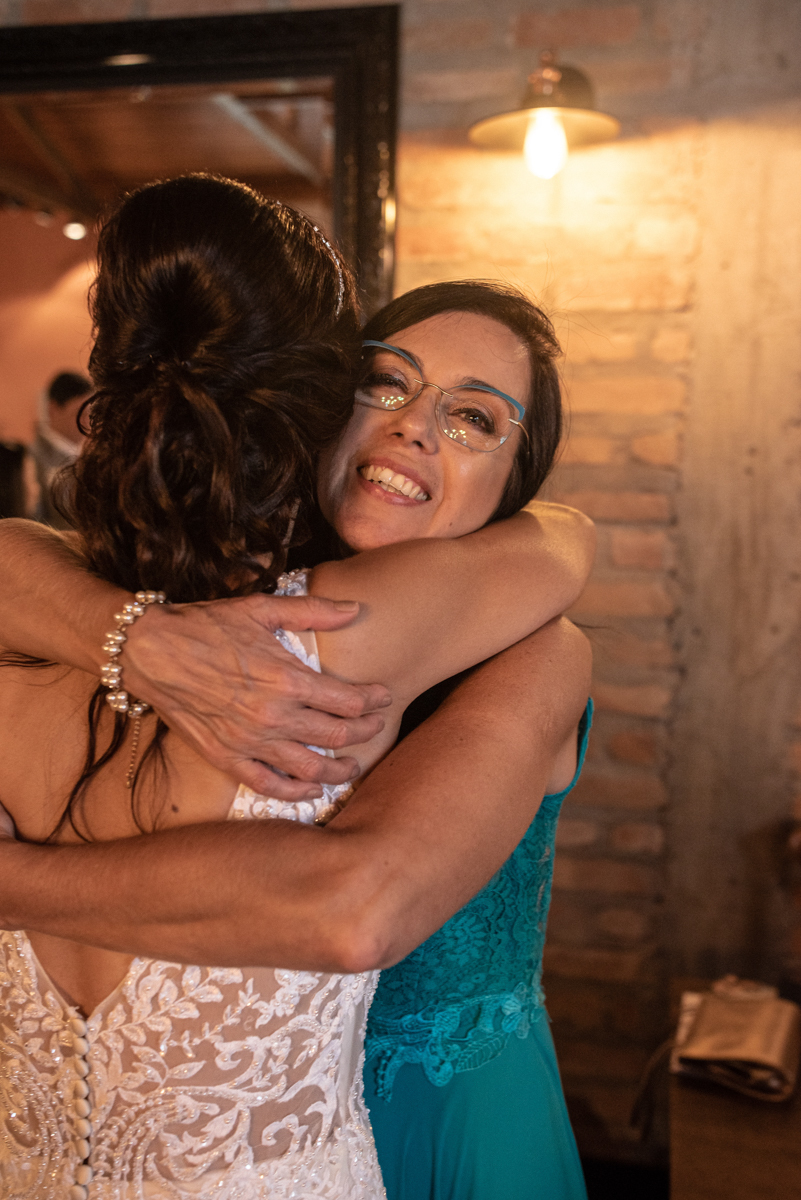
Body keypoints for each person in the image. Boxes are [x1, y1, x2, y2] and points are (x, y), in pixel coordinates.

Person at [0, 178, 592, 1200]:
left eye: (473, 420)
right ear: (318, 400)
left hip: (452, 1126)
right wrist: (130, 638)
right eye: (387, 383)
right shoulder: (155, 608)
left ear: (516, 489)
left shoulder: (527, 640)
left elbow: (357, 912)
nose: (414, 428)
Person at [32, 370, 91, 528]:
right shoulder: (32, 458)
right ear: (53, 409)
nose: (87, 423)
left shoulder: (89, 453)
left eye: (90, 414)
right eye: (80, 414)